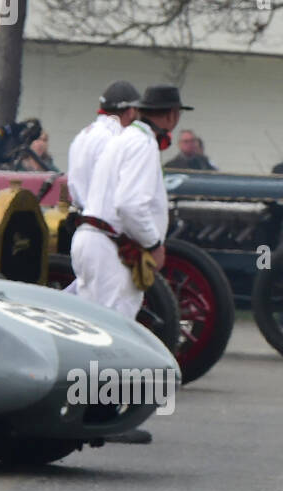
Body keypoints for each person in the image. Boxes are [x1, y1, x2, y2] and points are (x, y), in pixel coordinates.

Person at [72, 84, 190, 319]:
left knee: (93, 328)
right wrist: (153, 245)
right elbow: (130, 204)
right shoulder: (143, 144)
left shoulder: (125, 139)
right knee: (111, 333)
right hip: (110, 247)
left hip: (95, 240)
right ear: (172, 116)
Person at [67, 81, 140, 211]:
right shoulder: (116, 139)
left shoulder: (83, 135)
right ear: (131, 112)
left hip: (79, 217)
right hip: (102, 221)